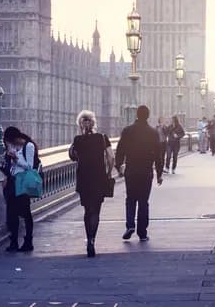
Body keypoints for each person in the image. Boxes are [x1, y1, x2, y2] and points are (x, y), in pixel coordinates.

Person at [115, 105, 164, 241]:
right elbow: (158, 155)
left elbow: (120, 150)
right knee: (143, 201)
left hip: (131, 170)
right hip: (146, 171)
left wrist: (118, 166)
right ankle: (142, 232)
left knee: (130, 199)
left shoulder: (127, 130)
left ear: (136, 115)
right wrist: (159, 173)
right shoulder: (153, 132)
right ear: (148, 116)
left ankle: (130, 225)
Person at [69, 110, 114, 257]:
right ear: (94, 123)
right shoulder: (102, 138)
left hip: (83, 178)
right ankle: (92, 241)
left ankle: (88, 239)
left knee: (87, 210)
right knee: (96, 211)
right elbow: (111, 157)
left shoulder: (77, 140)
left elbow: (73, 156)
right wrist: (108, 173)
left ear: (80, 124)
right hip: (99, 177)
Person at [2, 126, 37, 253]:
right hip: (12, 182)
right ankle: (14, 242)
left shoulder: (29, 146)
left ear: (14, 138)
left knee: (26, 213)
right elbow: (10, 166)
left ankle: (28, 241)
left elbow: (29, 166)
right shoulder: (12, 147)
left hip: (23, 181)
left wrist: (16, 158)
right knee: (12, 213)